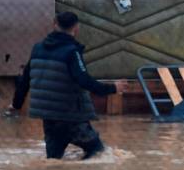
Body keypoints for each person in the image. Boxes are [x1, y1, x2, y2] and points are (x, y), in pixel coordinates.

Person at [8, 12, 126, 159]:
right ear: (76, 28)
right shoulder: (71, 52)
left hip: (49, 117)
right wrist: (113, 88)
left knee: (54, 161)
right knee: (99, 154)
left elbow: (25, 79)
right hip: (71, 116)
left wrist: (16, 104)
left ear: (55, 24)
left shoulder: (37, 48)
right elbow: (83, 80)